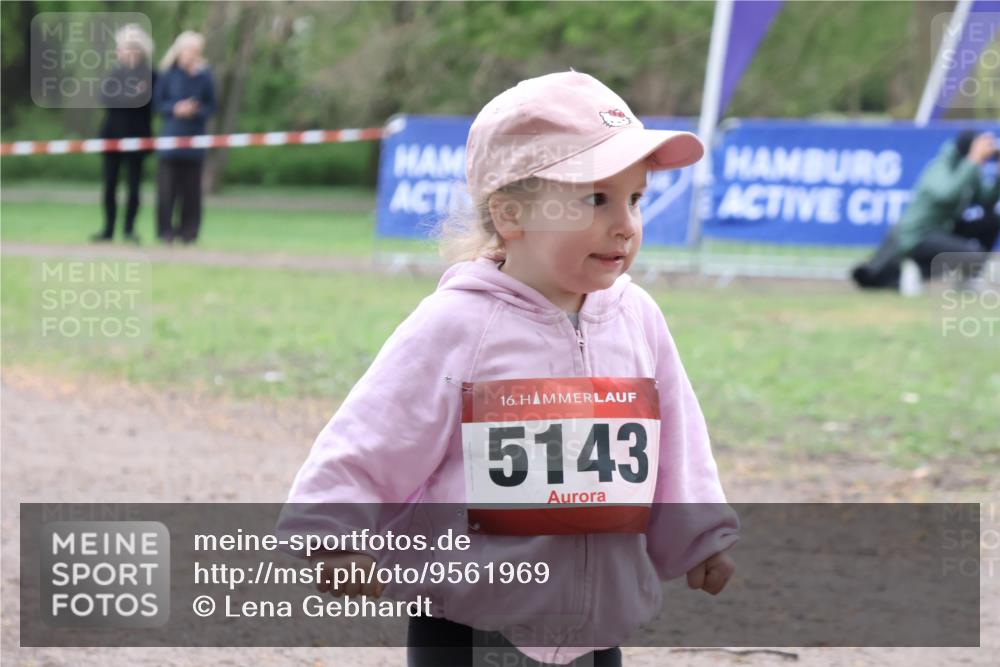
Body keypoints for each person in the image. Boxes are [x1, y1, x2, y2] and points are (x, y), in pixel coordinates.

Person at [278, 71, 738, 667]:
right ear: (511, 213)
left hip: (598, 630)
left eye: (635, 199)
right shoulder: (458, 324)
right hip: (472, 627)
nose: (625, 223)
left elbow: (676, 438)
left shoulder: (638, 317)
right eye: (596, 199)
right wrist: (332, 536)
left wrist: (699, 535)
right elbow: (374, 434)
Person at [852, 130, 999, 290]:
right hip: (919, 234)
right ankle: (909, 270)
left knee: (992, 222)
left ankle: (966, 280)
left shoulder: (970, 168)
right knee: (972, 255)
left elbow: (987, 202)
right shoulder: (942, 166)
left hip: (945, 229)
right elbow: (946, 194)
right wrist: (973, 159)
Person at [91, 24, 156, 245]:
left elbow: (147, 102)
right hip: (112, 136)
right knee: (109, 184)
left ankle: (129, 229)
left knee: (134, 186)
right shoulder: (114, 73)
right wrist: (129, 97)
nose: (127, 52)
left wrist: (126, 98)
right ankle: (108, 229)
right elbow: (105, 99)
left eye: (131, 48)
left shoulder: (150, 75)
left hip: (138, 137)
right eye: (123, 48)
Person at [153, 31, 216, 245]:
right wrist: (175, 108)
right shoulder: (167, 75)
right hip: (170, 141)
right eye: (190, 50)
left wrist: (196, 110)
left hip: (194, 141)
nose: (193, 54)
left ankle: (189, 232)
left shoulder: (205, 76)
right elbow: (157, 104)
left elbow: (212, 106)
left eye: (197, 51)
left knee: (192, 192)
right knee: (167, 191)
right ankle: (165, 232)